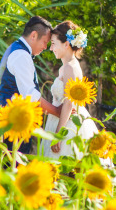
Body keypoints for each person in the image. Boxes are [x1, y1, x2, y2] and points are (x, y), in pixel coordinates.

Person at [0, 16, 63, 154]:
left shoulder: (15, 49)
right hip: (15, 124)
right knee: (15, 163)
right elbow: (30, 96)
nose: (45, 47)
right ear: (34, 35)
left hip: (9, 120)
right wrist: (57, 111)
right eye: (45, 42)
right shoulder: (21, 55)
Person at [38, 21, 100, 159]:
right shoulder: (66, 66)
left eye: (53, 43)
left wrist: (59, 134)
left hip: (67, 123)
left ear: (66, 44)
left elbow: (68, 102)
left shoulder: (69, 68)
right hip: (60, 119)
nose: (51, 48)